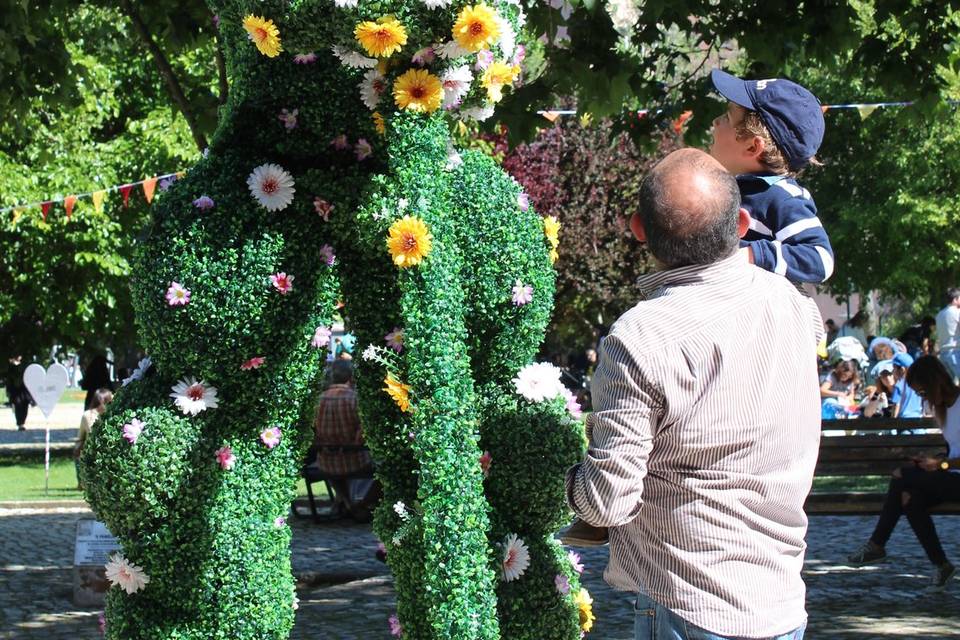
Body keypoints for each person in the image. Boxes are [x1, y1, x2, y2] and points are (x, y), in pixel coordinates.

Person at [564, 148, 823, 639]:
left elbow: (607, 503)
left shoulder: (638, 338)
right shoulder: (794, 306)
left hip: (689, 603)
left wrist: (562, 468)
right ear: (743, 223)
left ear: (638, 228)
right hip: (781, 602)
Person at [707, 69, 834, 285]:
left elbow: (821, 259)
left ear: (752, 146)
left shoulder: (784, 197)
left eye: (727, 117)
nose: (716, 122)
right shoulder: (732, 188)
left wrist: (753, 255)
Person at [847, 356, 959, 589]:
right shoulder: (944, 410)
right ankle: (941, 564)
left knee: (901, 476)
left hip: (954, 478)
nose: (922, 398)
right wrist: (936, 462)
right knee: (909, 499)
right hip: (950, 477)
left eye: (924, 392)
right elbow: (953, 452)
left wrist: (941, 466)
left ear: (935, 383)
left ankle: (877, 544)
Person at [313, 360, 377, 520]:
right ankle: (358, 506)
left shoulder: (318, 400)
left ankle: (346, 502)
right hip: (355, 460)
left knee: (334, 471)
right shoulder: (355, 399)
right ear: (351, 377)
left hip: (326, 462)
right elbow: (363, 433)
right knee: (389, 470)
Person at [75, 388, 113, 488]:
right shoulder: (88, 416)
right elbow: (82, 436)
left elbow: (81, 436)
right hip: (93, 453)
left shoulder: (112, 414)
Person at [936, 288, 960, 381]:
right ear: (955, 299)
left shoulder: (939, 315)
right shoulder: (957, 312)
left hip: (943, 354)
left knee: (950, 387)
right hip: (955, 352)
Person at [890, 352, 923, 419]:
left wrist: (892, 424)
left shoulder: (898, 385)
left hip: (904, 423)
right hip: (919, 421)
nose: (892, 370)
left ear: (902, 369)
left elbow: (896, 406)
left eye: (894, 367)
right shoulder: (919, 384)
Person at [4, 355, 33, 431]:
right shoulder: (11, 367)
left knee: (24, 407)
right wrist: (8, 391)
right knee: (18, 407)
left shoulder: (24, 366)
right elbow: (9, 380)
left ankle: (22, 422)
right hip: (16, 391)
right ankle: (20, 423)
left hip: (23, 390)